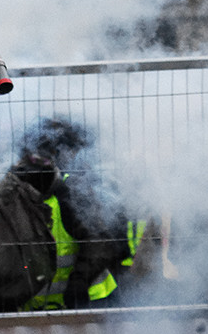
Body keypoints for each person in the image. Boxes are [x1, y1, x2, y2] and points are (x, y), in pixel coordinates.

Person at [8, 119, 142, 311]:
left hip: (91, 302)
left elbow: (100, 243)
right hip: (38, 308)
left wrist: (78, 283)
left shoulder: (73, 189)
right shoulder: (17, 192)